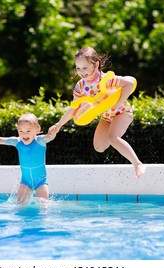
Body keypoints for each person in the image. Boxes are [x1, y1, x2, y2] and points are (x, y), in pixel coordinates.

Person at [49, 47, 146, 178]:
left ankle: (137, 164)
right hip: (106, 117)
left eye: (85, 68)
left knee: (113, 138)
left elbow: (129, 83)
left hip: (122, 112)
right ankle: (118, 145)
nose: (81, 72)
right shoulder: (80, 86)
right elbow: (73, 108)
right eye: (78, 68)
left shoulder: (106, 80)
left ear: (96, 64)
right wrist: (59, 125)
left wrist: (118, 102)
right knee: (99, 147)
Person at [0, 113, 57, 204]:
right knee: (20, 207)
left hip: (40, 183)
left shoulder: (40, 141)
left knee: (44, 206)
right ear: (17, 130)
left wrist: (53, 132)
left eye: (28, 131)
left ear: (37, 129)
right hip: (25, 182)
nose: (24, 134)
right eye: (21, 131)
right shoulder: (17, 142)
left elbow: (50, 137)